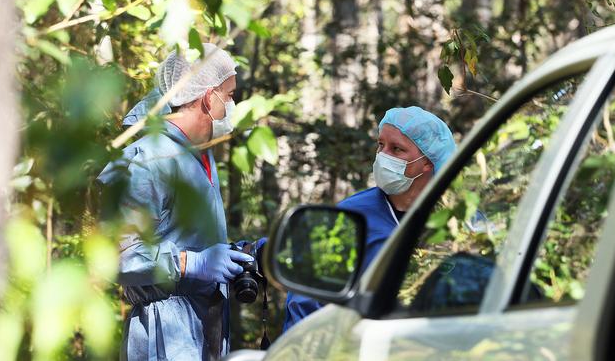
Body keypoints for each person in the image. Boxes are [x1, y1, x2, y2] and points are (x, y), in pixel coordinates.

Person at [98, 43, 262, 360]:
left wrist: (244, 253)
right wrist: (189, 263)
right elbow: (115, 257)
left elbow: (186, 237)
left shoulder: (200, 156)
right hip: (163, 335)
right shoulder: (150, 159)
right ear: (207, 97)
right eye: (228, 96)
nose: (231, 105)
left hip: (205, 328)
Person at [283, 106, 457, 331]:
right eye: (380, 145)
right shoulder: (351, 216)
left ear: (428, 162)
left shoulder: (457, 222)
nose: (384, 156)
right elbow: (306, 302)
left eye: (397, 149)